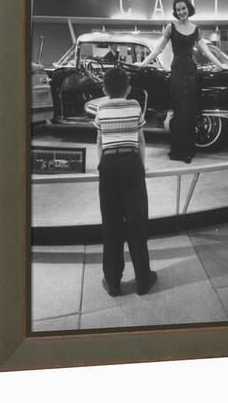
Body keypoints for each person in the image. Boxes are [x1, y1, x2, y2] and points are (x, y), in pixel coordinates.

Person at [138, 0, 228, 163]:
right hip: (177, 71)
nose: (181, 11)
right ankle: (179, 150)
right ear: (176, 11)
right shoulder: (170, 27)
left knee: (190, 111)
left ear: (189, 9)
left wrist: (220, 65)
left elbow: (205, 51)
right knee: (179, 111)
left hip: (191, 71)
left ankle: (188, 149)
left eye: (183, 8)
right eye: (178, 9)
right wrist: (142, 64)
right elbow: (158, 49)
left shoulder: (196, 29)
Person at [94, 67, 157, 297]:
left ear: (104, 89)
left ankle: (112, 282)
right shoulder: (134, 106)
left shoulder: (100, 108)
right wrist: (140, 166)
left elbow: (100, 142)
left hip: (109, 165)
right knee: (137, 223)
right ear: (128, 89)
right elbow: (140, 140)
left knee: (111, 225)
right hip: (131, 163)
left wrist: (101, 167)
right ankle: (143, 280)